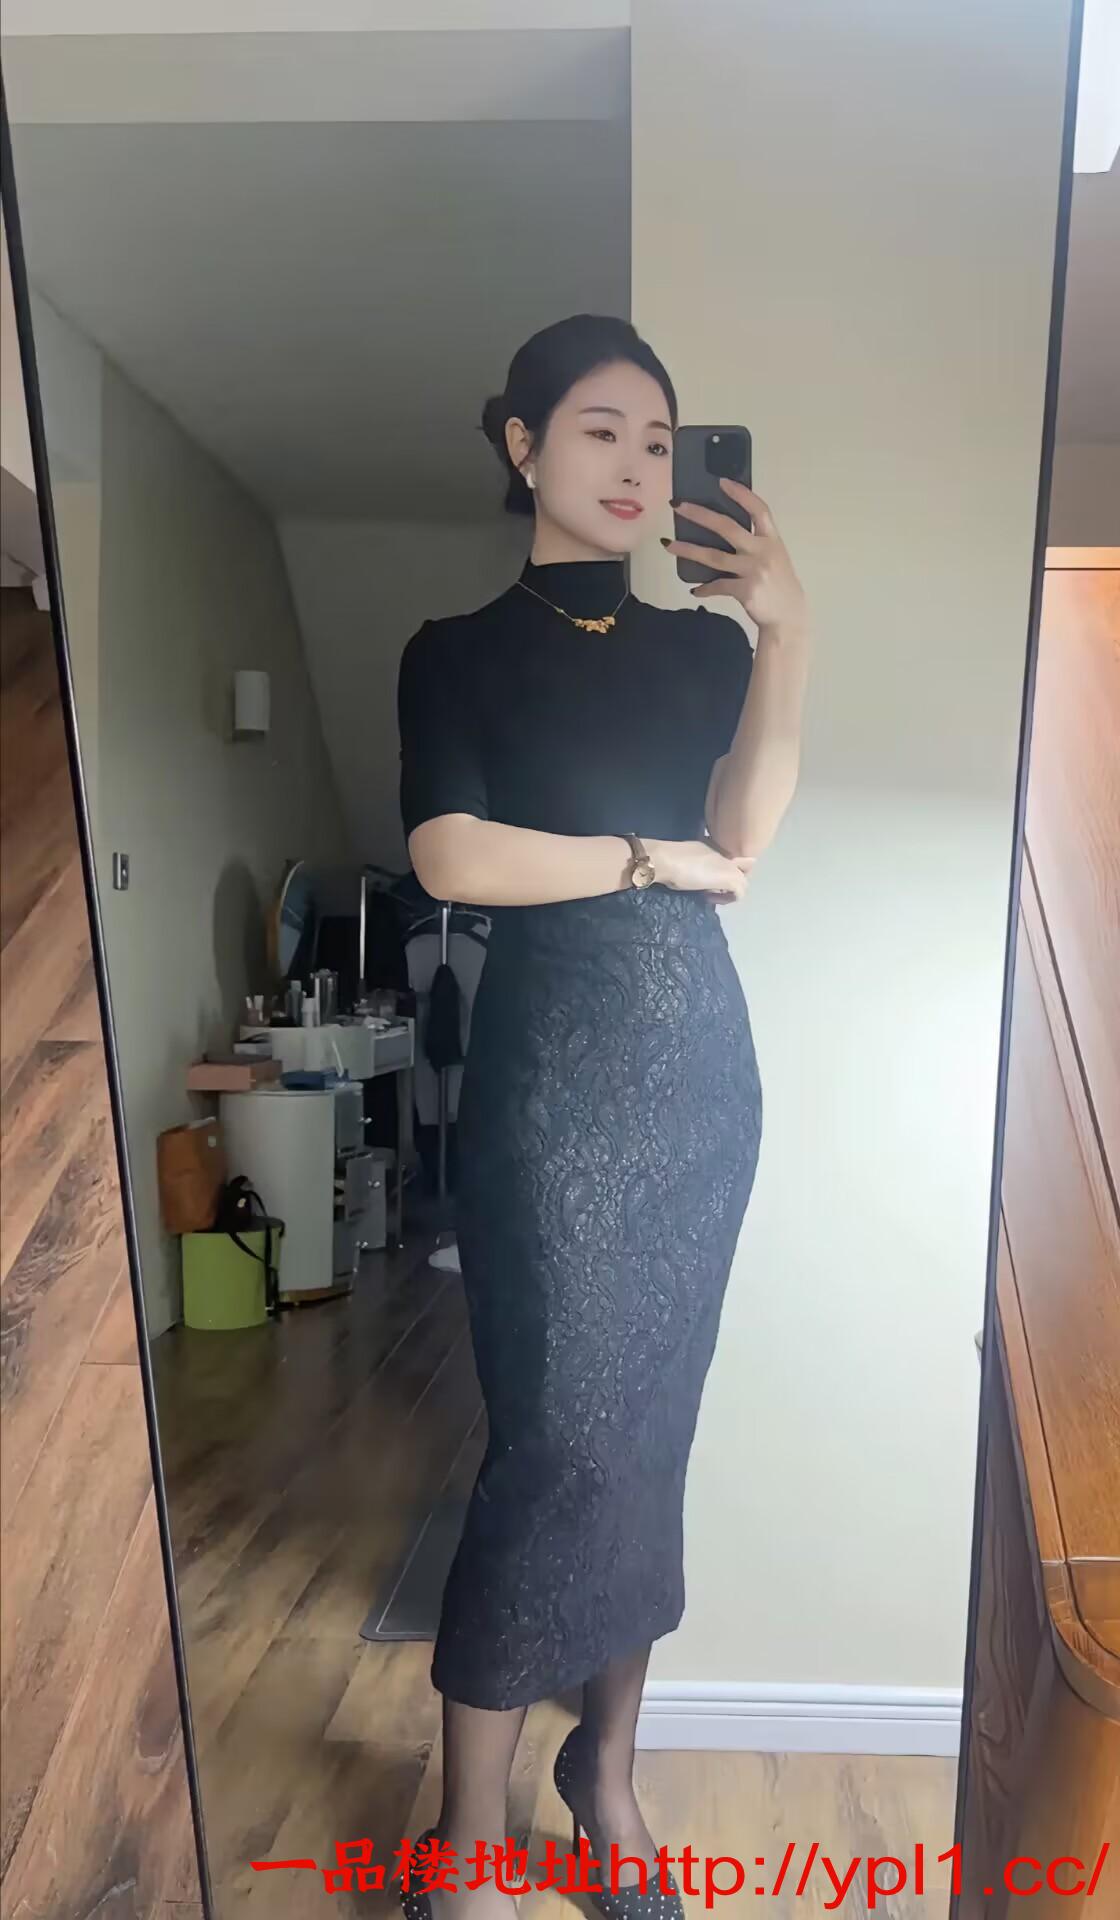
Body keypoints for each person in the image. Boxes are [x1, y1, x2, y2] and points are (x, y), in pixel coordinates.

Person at [395, 314, 810, 1920]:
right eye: (598, 431)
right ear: (522, 446)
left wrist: (786, 632)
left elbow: (743, 834)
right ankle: (466, 1836)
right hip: (554, 1071)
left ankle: (608, 1780)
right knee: (555, 1441)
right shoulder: (455, 649)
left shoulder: (703, 651)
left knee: (648, 1439)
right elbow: (451, 855)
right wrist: (644, 861)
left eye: (657, 439)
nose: (636, 465)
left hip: (698, 1065)